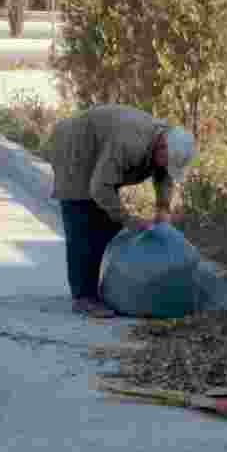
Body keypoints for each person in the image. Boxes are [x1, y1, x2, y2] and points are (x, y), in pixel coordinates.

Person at [44, 104, 196, 317]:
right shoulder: (129, 144)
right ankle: (84, 298)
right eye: (167, 161)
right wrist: (129, 220)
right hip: (74, 146)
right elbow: (100, 188)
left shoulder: (166, 141)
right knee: (83, 225)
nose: (166, 167)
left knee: (107, 224)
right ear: (162, 147)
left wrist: (163, 209)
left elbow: (164, 175)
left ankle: (100, 286)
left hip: (101, 151)